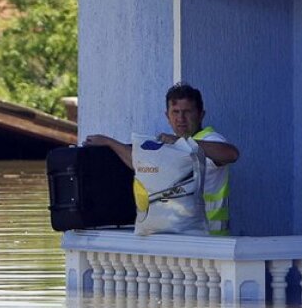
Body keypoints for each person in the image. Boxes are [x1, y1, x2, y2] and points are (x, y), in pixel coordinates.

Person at [84, 82, 239, 235]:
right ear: (167, 116)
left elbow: (231, 154)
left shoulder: (210, 138)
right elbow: (140, 164)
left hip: (213, 240)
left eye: (187, 112)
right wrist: (109, 142)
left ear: (200, 114)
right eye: (175, 112)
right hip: (182, 236)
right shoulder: (171, 144)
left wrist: (185, 142)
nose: (181, 118)